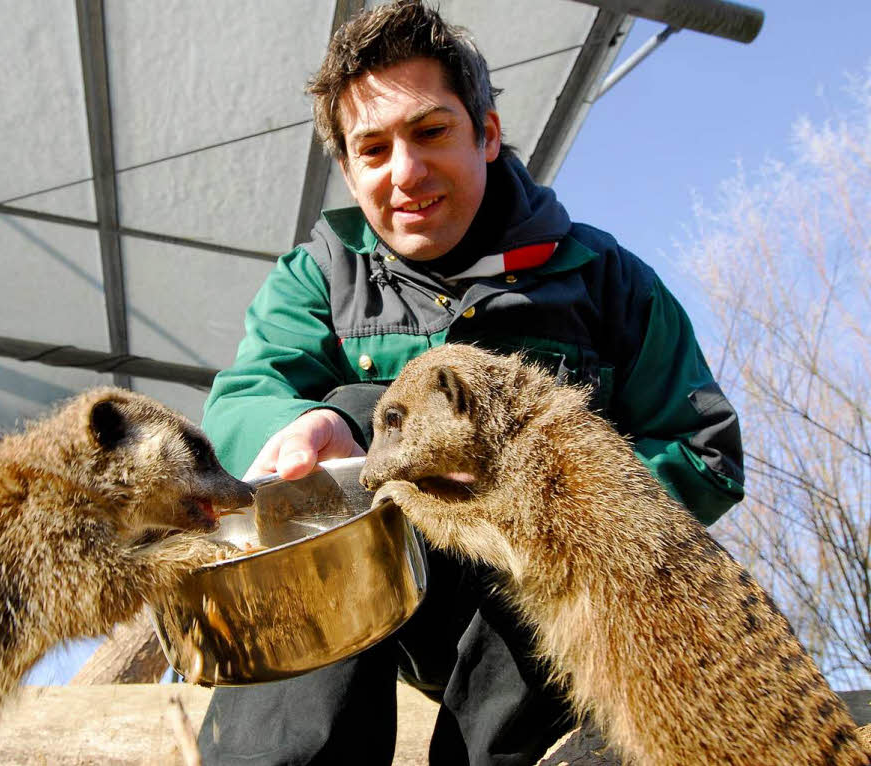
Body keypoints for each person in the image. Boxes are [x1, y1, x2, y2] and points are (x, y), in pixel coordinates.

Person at [197, 2, 745, 764]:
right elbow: (244, 394)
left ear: (486, 134)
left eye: (430, 132)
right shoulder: (319, 274)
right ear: (350, 170)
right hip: (366, 594)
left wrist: (552, 500)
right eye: (373, 150)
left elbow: (705, 449)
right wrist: (297, 434)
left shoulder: (608, 281)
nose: (406, 173)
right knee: (352, 417)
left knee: (539, 486)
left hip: (533, 636)